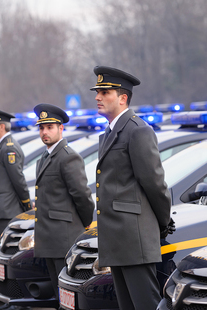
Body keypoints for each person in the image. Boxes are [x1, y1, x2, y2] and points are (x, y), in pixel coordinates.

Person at [91, 66, 173, 310]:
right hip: (117, 239)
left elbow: (155, 184)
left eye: (105, 92)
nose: (97, 97)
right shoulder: (109, 133)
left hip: (134, 238)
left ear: (122, 98)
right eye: (97, 92)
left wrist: (163, 223)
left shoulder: (138, 131)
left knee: (144, 304)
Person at [33, 103, 94, 306]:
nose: (45, 132)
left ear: (61, 128)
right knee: (57, 290)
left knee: (68, 293)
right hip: (48, 236)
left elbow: (83, 196)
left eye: (50, 127)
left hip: (63, 235)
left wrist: (85, 224)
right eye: (42, 128)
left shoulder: (68, 157)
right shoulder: (45, 156)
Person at [0, 107, 31, 246]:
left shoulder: (9, 148)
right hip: (0, 209)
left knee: (6, 248)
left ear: (1, 127)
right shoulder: (1, 146)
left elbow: (18, 179)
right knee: (0, 247)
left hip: (6, 209)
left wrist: (26, 203)